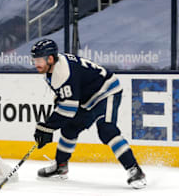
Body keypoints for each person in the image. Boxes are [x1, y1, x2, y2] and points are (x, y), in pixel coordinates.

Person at [31, 39, 146, 189]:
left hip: (106, 91)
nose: (36, 64)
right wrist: (49, 125)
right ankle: (60, 166)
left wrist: (47, 127)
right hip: (87, 97)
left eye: (39, 60)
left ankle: (135, 170)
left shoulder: (61, 72)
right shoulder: (50, 70)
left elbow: (68, 110)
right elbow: (67, 97)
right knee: (70, 128)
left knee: (106, 130)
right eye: (34, 60)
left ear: (50, 59)